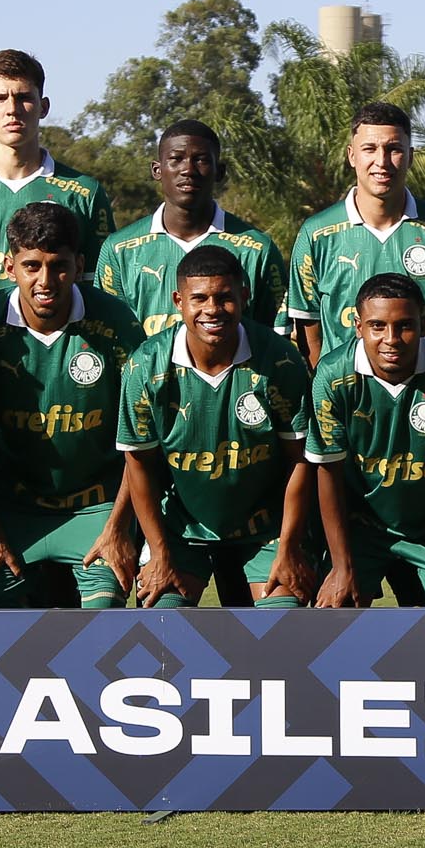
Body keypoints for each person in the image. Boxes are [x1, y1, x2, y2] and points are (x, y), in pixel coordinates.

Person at [0, 202, 143, 609]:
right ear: (10, 268)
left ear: (79, 265)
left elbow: (140, 439)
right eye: (32, 266)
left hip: (97, 505)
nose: (46, 280)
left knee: (104, 611)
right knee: (0, 611)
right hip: (11, 507)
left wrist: (118, 527)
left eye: (59, 266)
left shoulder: (117, 324)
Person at [117, 244, 316, 608]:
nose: (212, 309)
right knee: (164, 625)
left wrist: (288, 546)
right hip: (183, 529)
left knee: (283, 625)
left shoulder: (281, 359)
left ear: (243, 296)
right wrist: (160, 554)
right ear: (179, 300)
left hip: (265, 528)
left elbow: (299, 460)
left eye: (224, 298)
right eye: (200, 298)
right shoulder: (145, 366)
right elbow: (139, 464)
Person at [307, 274, 425, 608]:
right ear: (358, 326)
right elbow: (327, 472)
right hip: (362, 527)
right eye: (377, 326)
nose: (391, 339)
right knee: (332, 612)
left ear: (424, 323)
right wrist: (342, 568)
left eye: (404, 326)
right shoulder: (331, 375)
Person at [286, 102, 425, 365]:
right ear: (352, 155)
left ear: (410, 156)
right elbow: (310, 333)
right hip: (346, 400)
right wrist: (335, 388)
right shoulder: (316, 234)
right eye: (370, 149)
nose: (382, 161)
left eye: (394, 149)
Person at [0, 49, 115, 313]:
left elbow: (99, 290)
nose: (12, 109)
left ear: (44, 106)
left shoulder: (84, 192)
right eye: (0, 98)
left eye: (24, 97)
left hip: (59, 348)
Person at [97, 120, 287, 341]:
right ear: (157, 170)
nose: (188, 170)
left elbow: (275, 340)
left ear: (220, 171)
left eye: (201, 160)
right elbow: (109, 337)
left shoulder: (257, 249)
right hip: (145, 376)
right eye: (176, 159)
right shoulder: (118, 250)